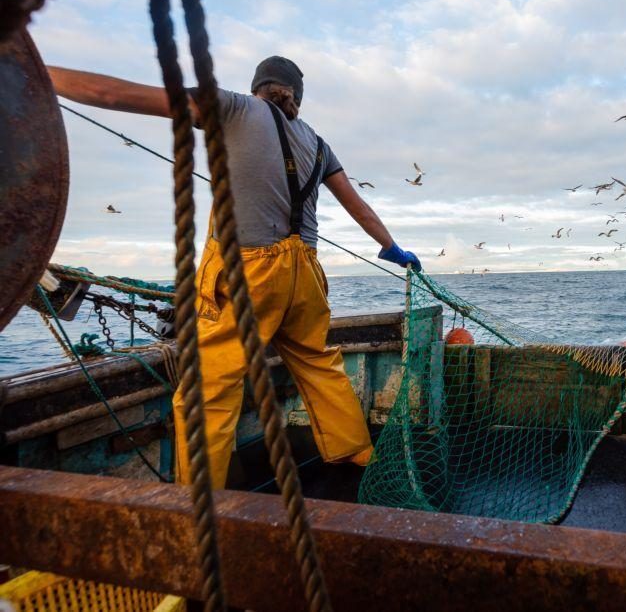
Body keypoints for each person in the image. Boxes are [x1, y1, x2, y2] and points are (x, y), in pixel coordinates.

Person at [48, 56, 421, 489]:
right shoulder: (319, 144)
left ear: (257, 87)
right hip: (306, 273)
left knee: (210, 387)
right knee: (318, 363)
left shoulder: (236, 108)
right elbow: (358, 205)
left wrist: (37, 72)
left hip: (250, 272)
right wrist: (391, 248)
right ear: (296, 96)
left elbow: (115, 94)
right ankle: (357, 453)